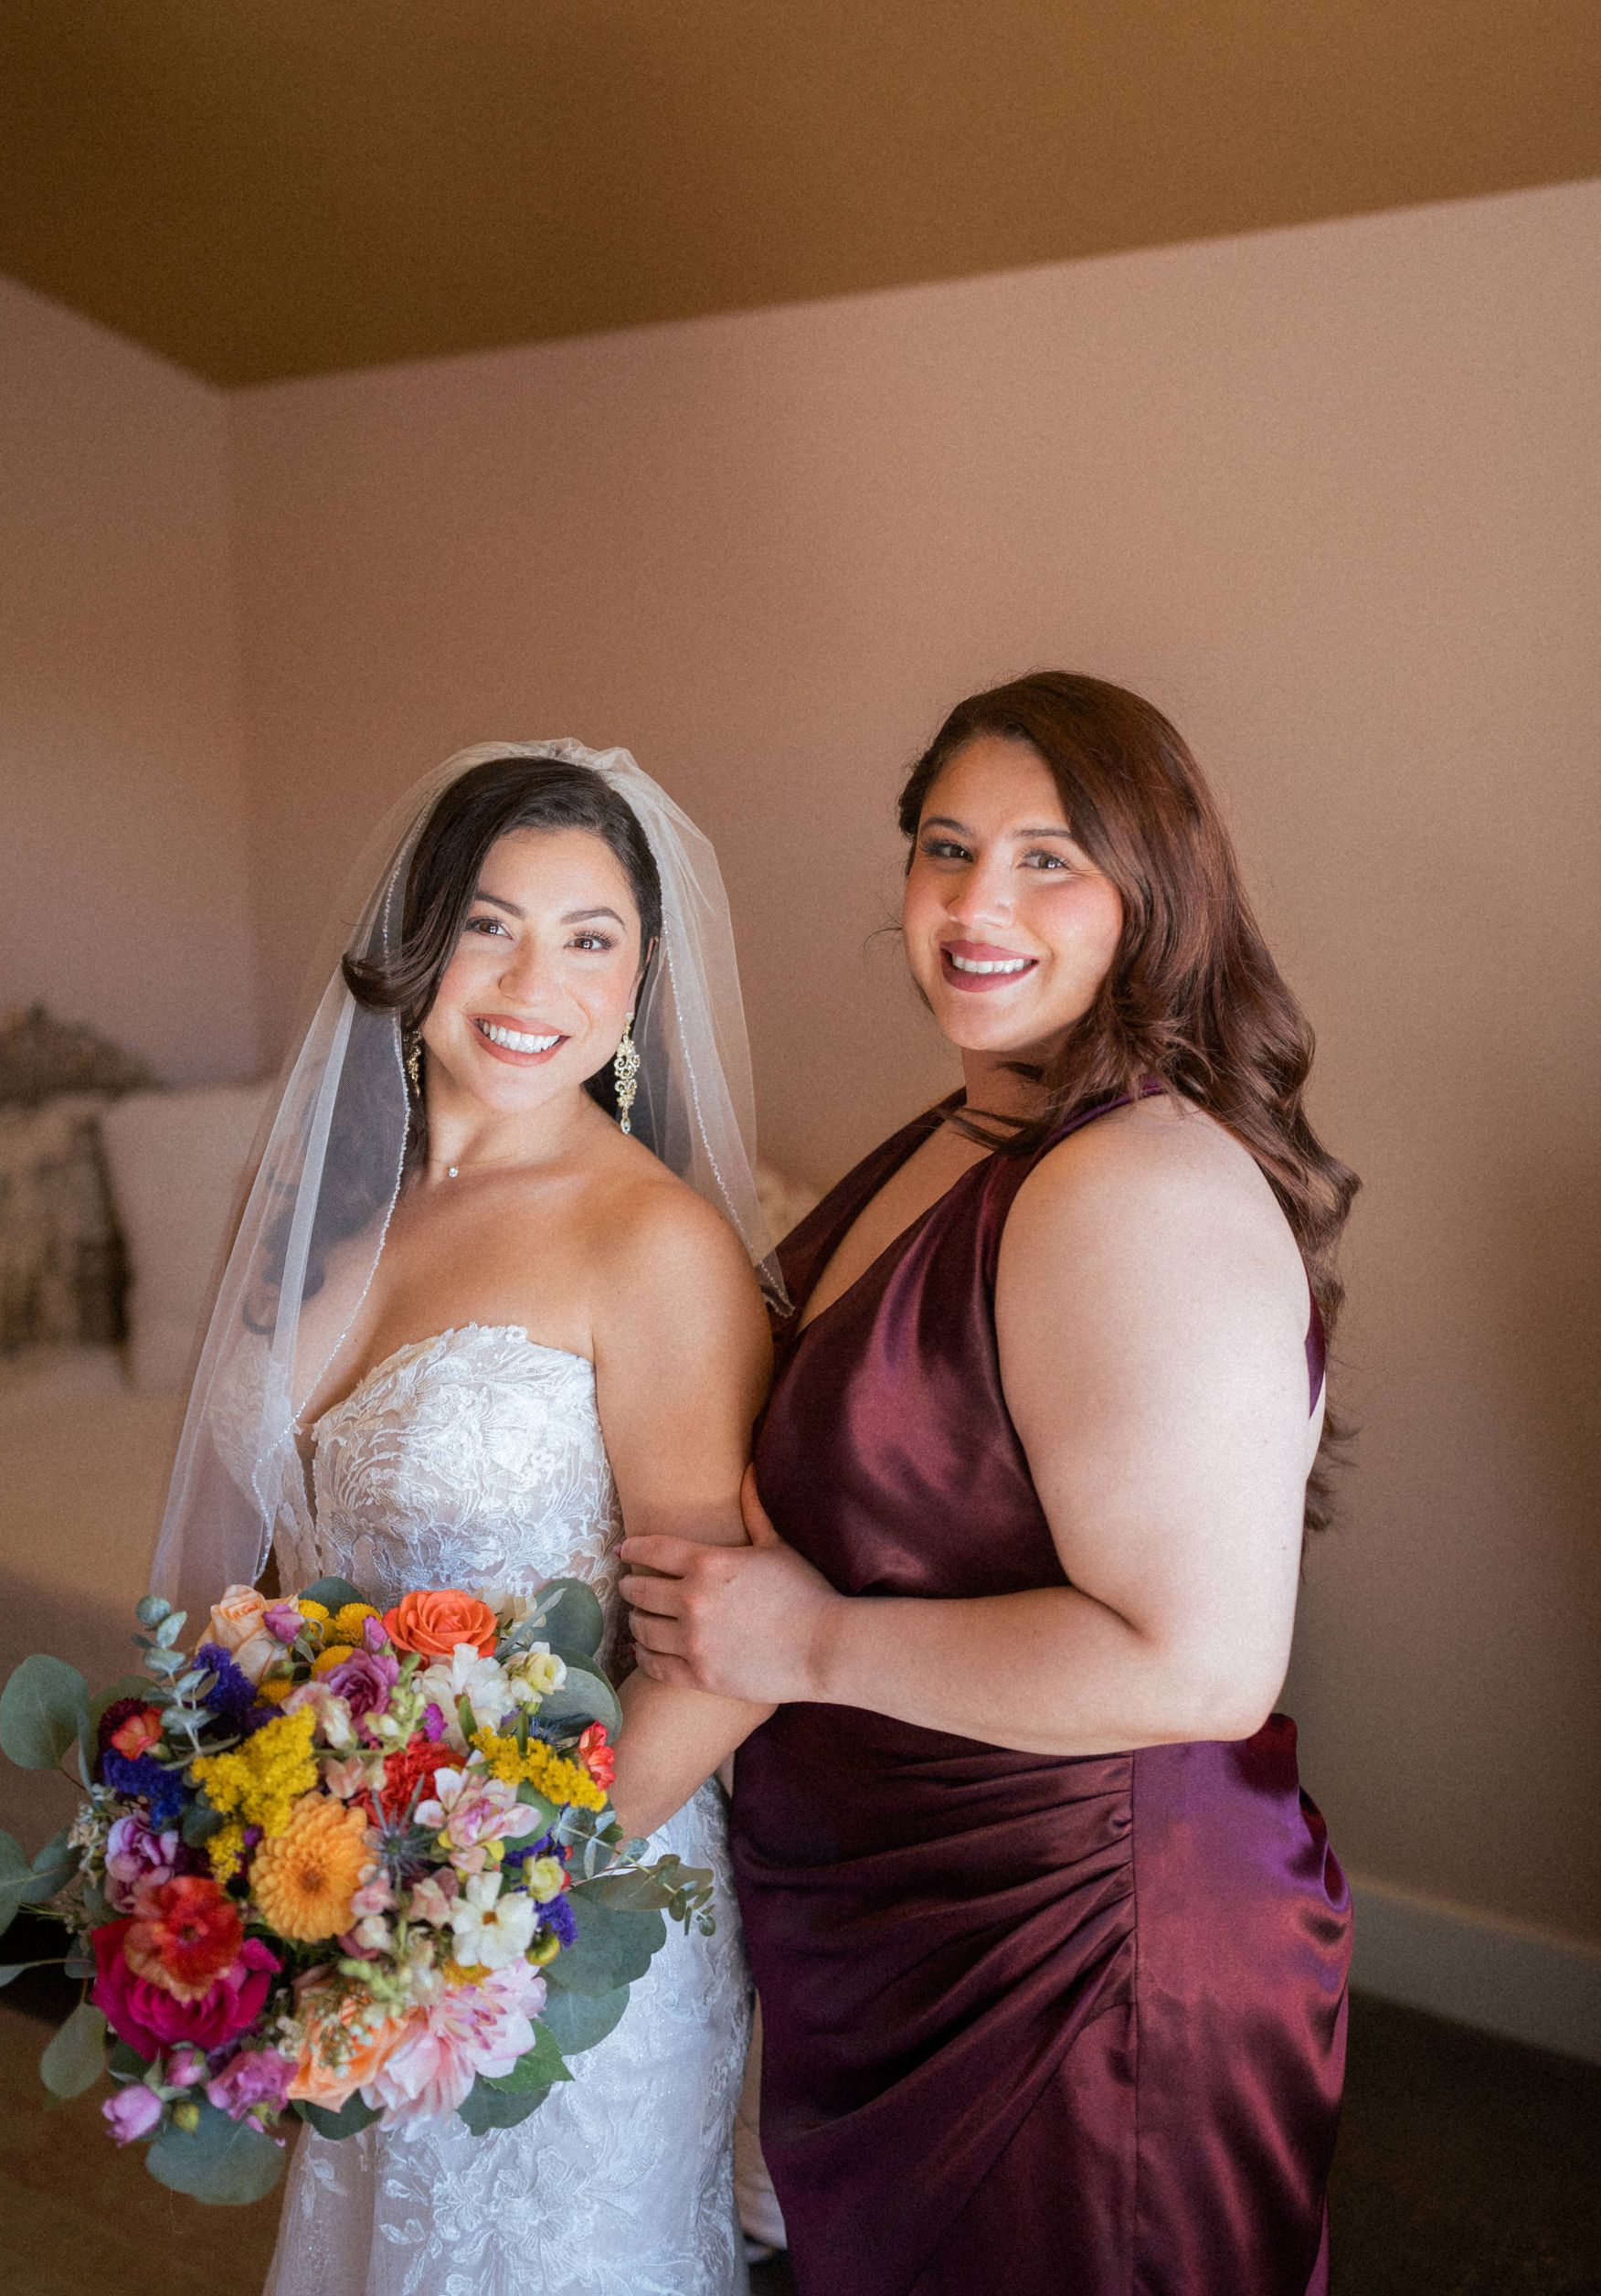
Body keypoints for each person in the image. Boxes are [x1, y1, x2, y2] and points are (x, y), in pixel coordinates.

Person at [621, 674, 1357, 2296]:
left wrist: (807, 1645)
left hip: (1084, 1959)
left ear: (1153, 896)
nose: (975, 906)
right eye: (946, 849)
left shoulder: (1135, 1185)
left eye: (1047, 861)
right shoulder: (968, 1131)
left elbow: (1202, 1668)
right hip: (900, 1925)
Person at [152, 742, 776, 2296]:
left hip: (558, 1932)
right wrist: (258, 1854)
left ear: (640, 980)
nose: (532, 983)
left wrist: (485, 1919)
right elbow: (259, 1578)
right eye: (491, 925)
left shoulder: (655, 1247)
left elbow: (722, 1656)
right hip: (348, 1896)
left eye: (589, 938)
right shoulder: (314, 1201)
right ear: (418, 940)